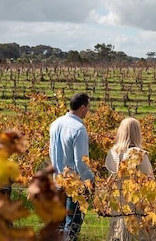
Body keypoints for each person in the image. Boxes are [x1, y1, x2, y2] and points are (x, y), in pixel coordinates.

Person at [49, 93, 95, 241]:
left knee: (58, 226)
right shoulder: (79, 129)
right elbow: (81, 162)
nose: (88, 111)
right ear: (82, 107)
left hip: (57, 180)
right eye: (88, 107)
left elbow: (51, 152)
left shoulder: (55, 123)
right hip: (74, 184)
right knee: (71, 227)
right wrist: (90, 179)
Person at [105, 117, 156, 241]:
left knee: (119, 232)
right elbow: (150, 181)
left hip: (118, 201)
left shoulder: (112, 153)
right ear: (137, 133)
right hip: (136, 203)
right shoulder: (139, 154)